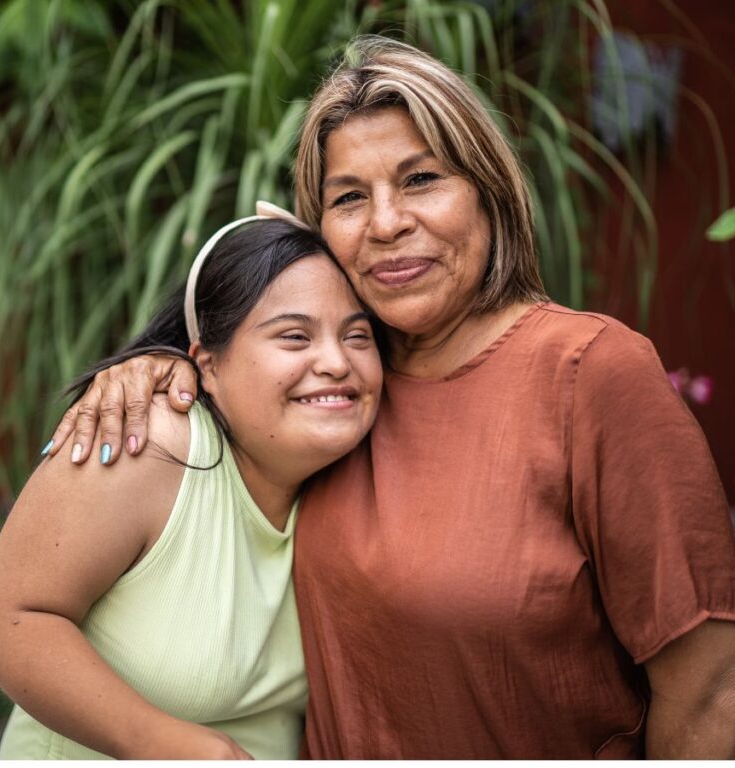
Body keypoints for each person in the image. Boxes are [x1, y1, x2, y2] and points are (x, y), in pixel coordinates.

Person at [44, 36, 735, 759]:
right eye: (349, 198)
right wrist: (156, 367)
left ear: (489, 194)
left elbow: (712, 685)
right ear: (319, 234)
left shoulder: (592, 373)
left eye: (420, 180)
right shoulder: (332, 391)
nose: (385, 223)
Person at [0, 211, 383, 759]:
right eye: (293, 336)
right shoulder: (147, 441)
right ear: (206, 366)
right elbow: (9, 622)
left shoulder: (358, 469)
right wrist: (161, 744)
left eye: (358, 335)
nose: (336, 361)